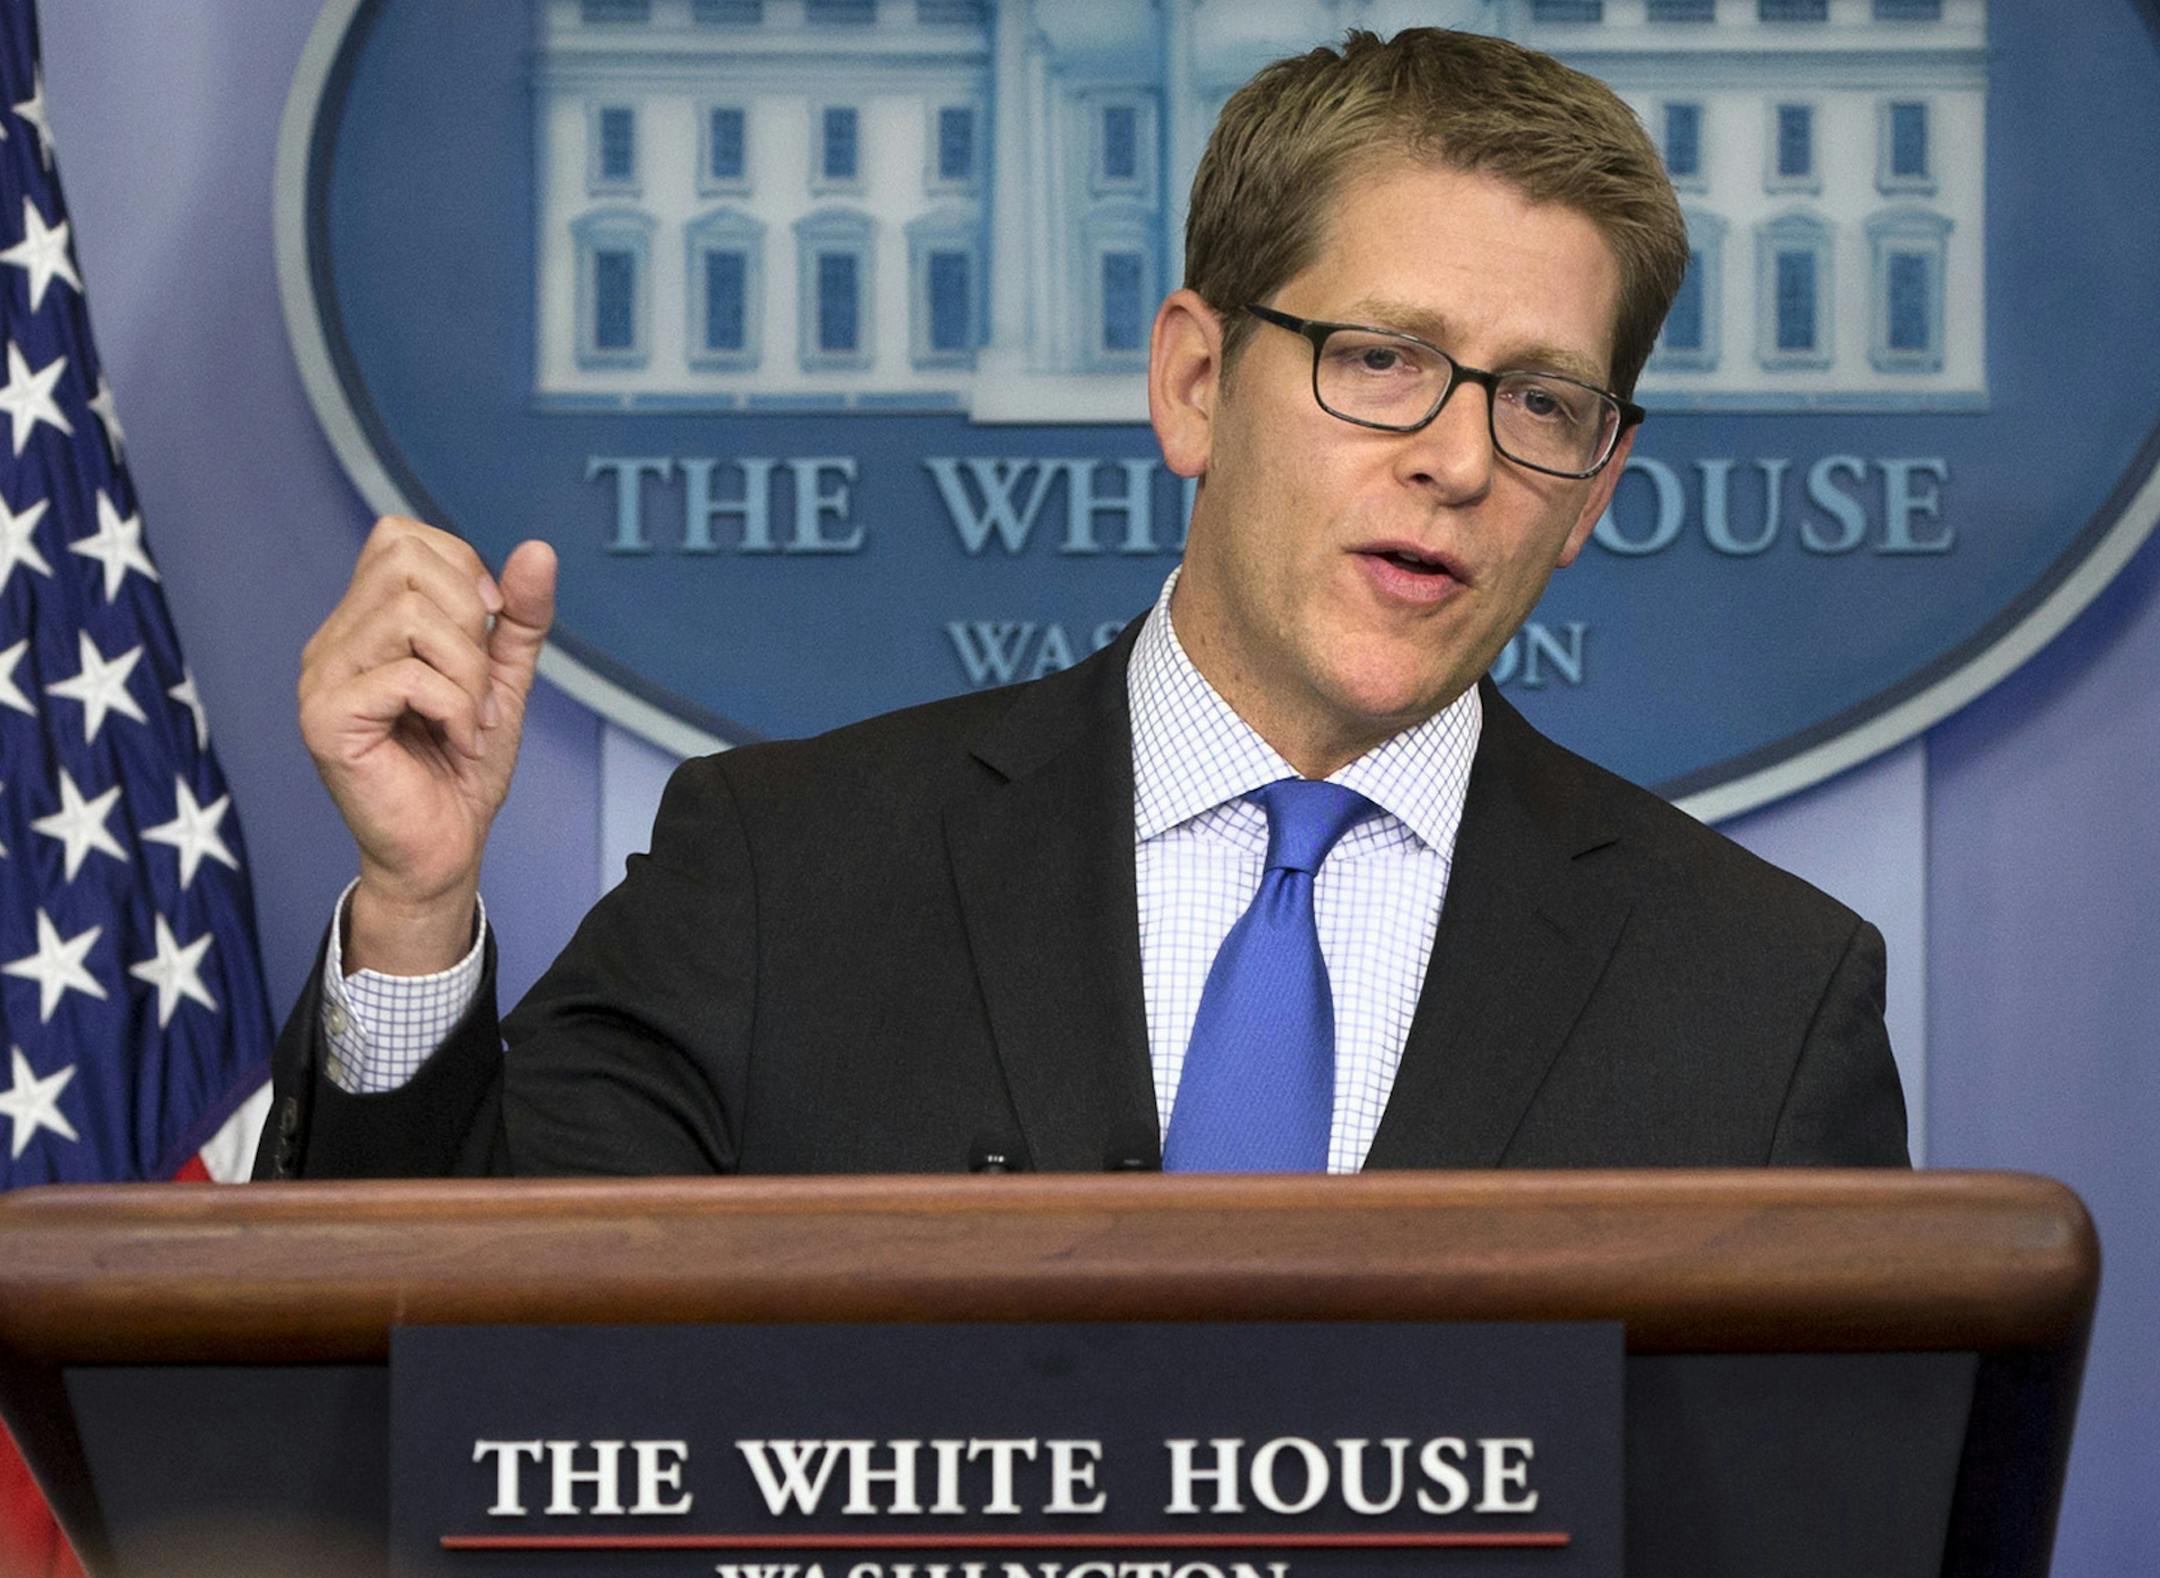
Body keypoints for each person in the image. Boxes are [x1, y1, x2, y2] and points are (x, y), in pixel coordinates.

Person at [257, 27, 1905, 1181]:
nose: (1461, 459)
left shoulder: (1760, 1005)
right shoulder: (779, 880)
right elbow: (454, 1393)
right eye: (1383, 360)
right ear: (1195, 383)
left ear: (1591, 498)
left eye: (1543, 402)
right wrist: (414, 910)